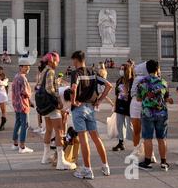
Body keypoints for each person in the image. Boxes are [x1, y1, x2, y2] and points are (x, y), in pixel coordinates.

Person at [70, 51, 112, 180]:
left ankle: (87, 170)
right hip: (91, 108)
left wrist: (72, 101)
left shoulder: (76, 73)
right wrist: (99, 100)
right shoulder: (93, 73)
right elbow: (108, 85)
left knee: (84, 139)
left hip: (79, 108)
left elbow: (73, 88)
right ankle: (105, 166)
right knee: (96, 137)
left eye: (73, 61)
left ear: (76, 60)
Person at [39, 53, 77, 170]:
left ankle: (45, 157)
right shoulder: (50, 71)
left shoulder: (43, 71)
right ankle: (61, 161)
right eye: (56, 61)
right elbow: (50, 89)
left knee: (49, 130)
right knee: (59, 131)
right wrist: (58, 100)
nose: (57, 63)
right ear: (51, 61)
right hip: (52, 106)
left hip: (45, 106)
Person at [136, 60, 171, 171]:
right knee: (162, 138)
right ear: (158, 69)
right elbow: (166, 98)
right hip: (162, 113)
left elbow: (138, 98)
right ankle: (164, 162)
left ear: (147, 69)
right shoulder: (164, 82)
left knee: (148, 138)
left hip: (147, 113)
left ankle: (147, 161)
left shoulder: (142, 82)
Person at [11, 58, 34, 154]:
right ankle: (22, 146)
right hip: (23, 104)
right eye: (25, 66)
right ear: (20, 67)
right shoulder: (23, 78)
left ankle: (15, 143)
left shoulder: (16, 76)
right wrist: (30, 100)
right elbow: (25, 92)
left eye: (28, 66)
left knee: (18, 123)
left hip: (16, 103)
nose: (28, 68)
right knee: (25, 124)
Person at [129, 62, 150, 161]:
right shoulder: (142, 79)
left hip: (137, 104)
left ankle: (137, 149)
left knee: (137, 130)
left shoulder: (142, 79)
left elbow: (133, 93)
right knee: (145, 131)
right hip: (143, 104)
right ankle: (147, 152)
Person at [112, 64, 134, 151]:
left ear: (127, 71)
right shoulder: (119, 80)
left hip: (129, 106)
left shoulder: (132, 81)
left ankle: (136, 142)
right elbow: (116, 94)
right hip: (120, 105)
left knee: (130, 125)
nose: (120, 71)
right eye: (120, 69)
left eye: (122, 69)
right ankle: (121, 142)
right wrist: (114, 105)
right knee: (119, 125)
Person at [33, 60, 47, 135]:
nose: (38, 65)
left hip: (43, 94)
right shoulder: (39, 73)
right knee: (38, 111)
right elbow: (37, 82)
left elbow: (42, 83)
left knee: (44, 111)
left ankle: (45, 127)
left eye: (39, 64)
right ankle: (40, 126)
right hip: (38, 93)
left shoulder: (45, 72)